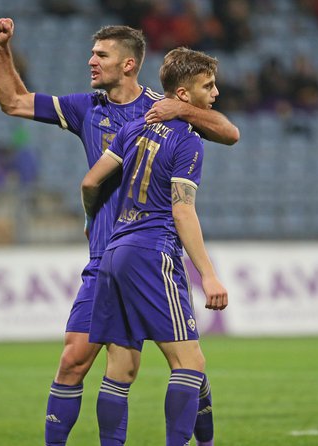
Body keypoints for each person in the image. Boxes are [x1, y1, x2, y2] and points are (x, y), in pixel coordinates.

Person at [0, 18, 239, 446]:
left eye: (101, 55)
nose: (91, 61)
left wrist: (184, 109)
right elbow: (14, 102)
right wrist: (1, 48)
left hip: (143, 249)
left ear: (128, 64)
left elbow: (228, 132)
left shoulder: (161, 109)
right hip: (106, 257)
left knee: (176, 361)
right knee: (77, 360)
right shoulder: (87, 107)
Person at [81, 46, 227, 446]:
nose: (215, 93)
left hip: (114, 251)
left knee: (121, 367)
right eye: (207, 86)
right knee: (189, 363)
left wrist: (94, 222)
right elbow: (183, 212)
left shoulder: (133, 128)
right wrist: (209, 275)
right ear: (183, 95)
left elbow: (90, 183)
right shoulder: (188, 142)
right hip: (153, 251)